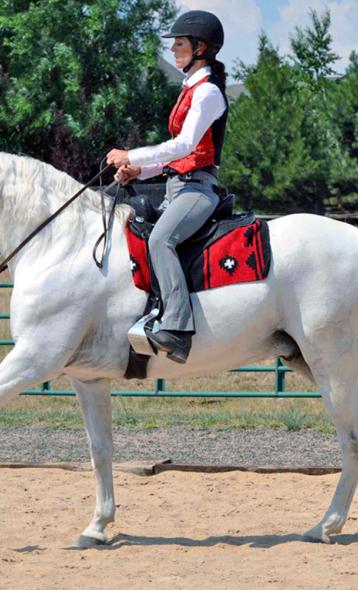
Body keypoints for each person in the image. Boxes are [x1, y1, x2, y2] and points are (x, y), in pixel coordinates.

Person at [107, 10, 228, 364]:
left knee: (161, 239)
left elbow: (184, 146)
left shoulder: (208, 93)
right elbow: (177, 156)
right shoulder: (190, 90)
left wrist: (131, 153)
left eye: (179, 43)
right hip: (177, 187)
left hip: (198, 189)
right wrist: (138, 171)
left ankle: (176, 328)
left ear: (200, 48)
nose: (173, 49)